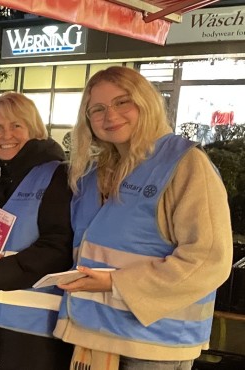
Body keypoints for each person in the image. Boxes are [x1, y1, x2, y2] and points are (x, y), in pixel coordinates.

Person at [56, 66, 233, 370]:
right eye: (97, 109)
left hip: (153, 346)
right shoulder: (92, 174)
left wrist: (115, 283)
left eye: (122, 102)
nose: (110, 116)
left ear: (146, 103)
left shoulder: (185, 165)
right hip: (93, 336)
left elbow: (208, 260)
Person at [0, 92, 73, 370]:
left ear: (34, 130)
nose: (5, 135)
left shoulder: (57, 176)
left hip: (34, 332)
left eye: (16, 126)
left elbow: (58, 247)